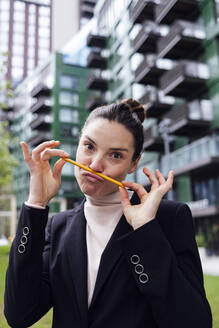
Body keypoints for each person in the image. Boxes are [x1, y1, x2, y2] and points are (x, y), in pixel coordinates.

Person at [4, 98, 212, 328]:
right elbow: (18, 315)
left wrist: (145, 230)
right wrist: (35, 204)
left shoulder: (168, 218)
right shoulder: (59, 226)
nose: (94, 165)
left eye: (115, 155)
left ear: (133, 164)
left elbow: (195, 322)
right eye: (89, 147)